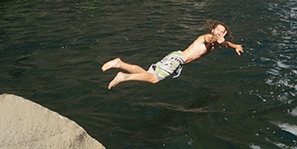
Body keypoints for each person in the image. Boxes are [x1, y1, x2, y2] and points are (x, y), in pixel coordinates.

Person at [103, 20, 243, 89]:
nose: (219, 33)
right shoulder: (206, 38)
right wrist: (216, 38)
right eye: (217, 30)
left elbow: (224, 43)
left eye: (222, 32)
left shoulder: (217, 42)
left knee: (147, 73)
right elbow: (210, 39)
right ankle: (123, 76)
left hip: (174, 56)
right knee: (153, 79)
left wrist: (235, 45)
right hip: (177, 60)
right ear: (212, 30)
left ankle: (119, 63)